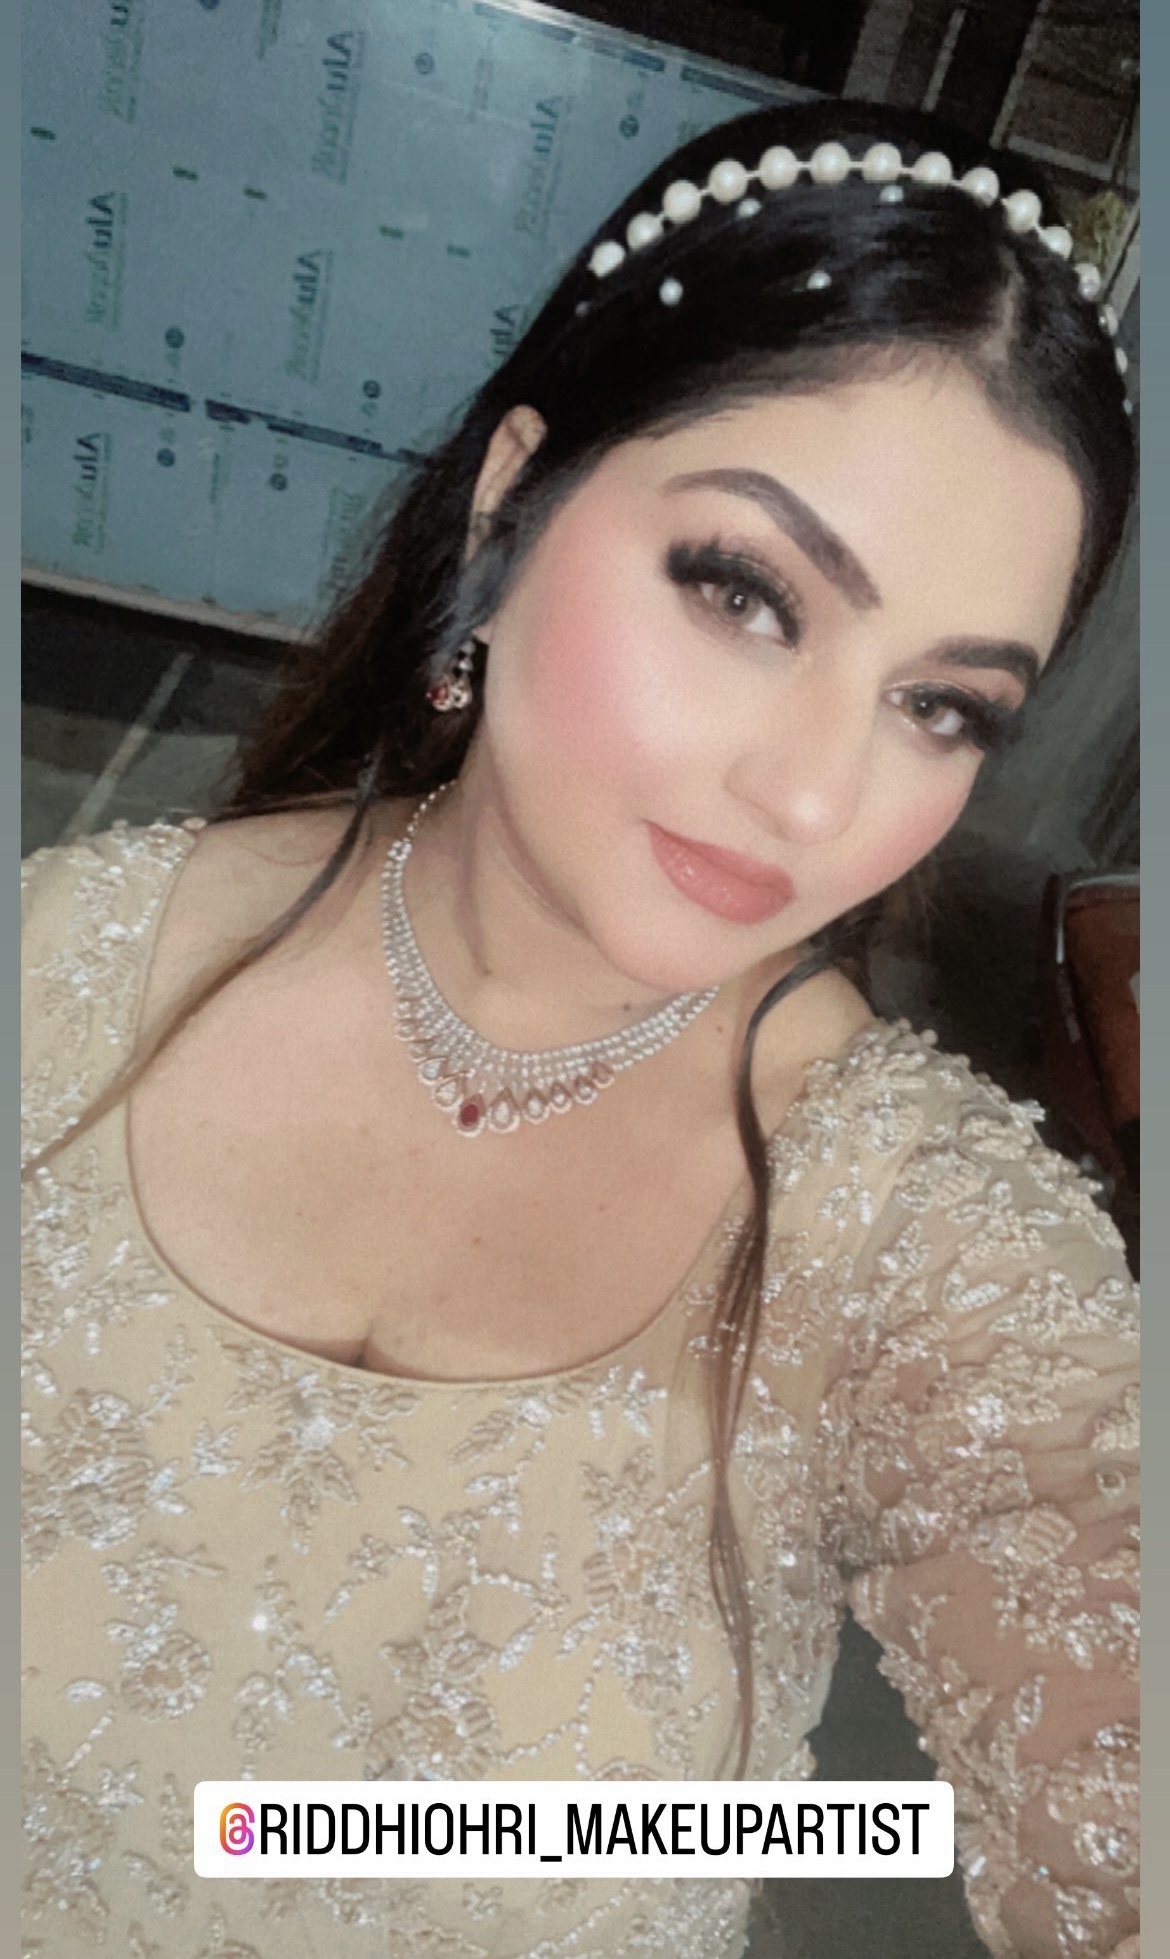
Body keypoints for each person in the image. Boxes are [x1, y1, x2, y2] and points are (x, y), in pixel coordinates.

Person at [22, 99, 1138, 1959]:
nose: (811, 795)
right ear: (508, 500)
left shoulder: (920, 1245)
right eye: (744, 594)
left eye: (941, 708)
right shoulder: (55, 973)